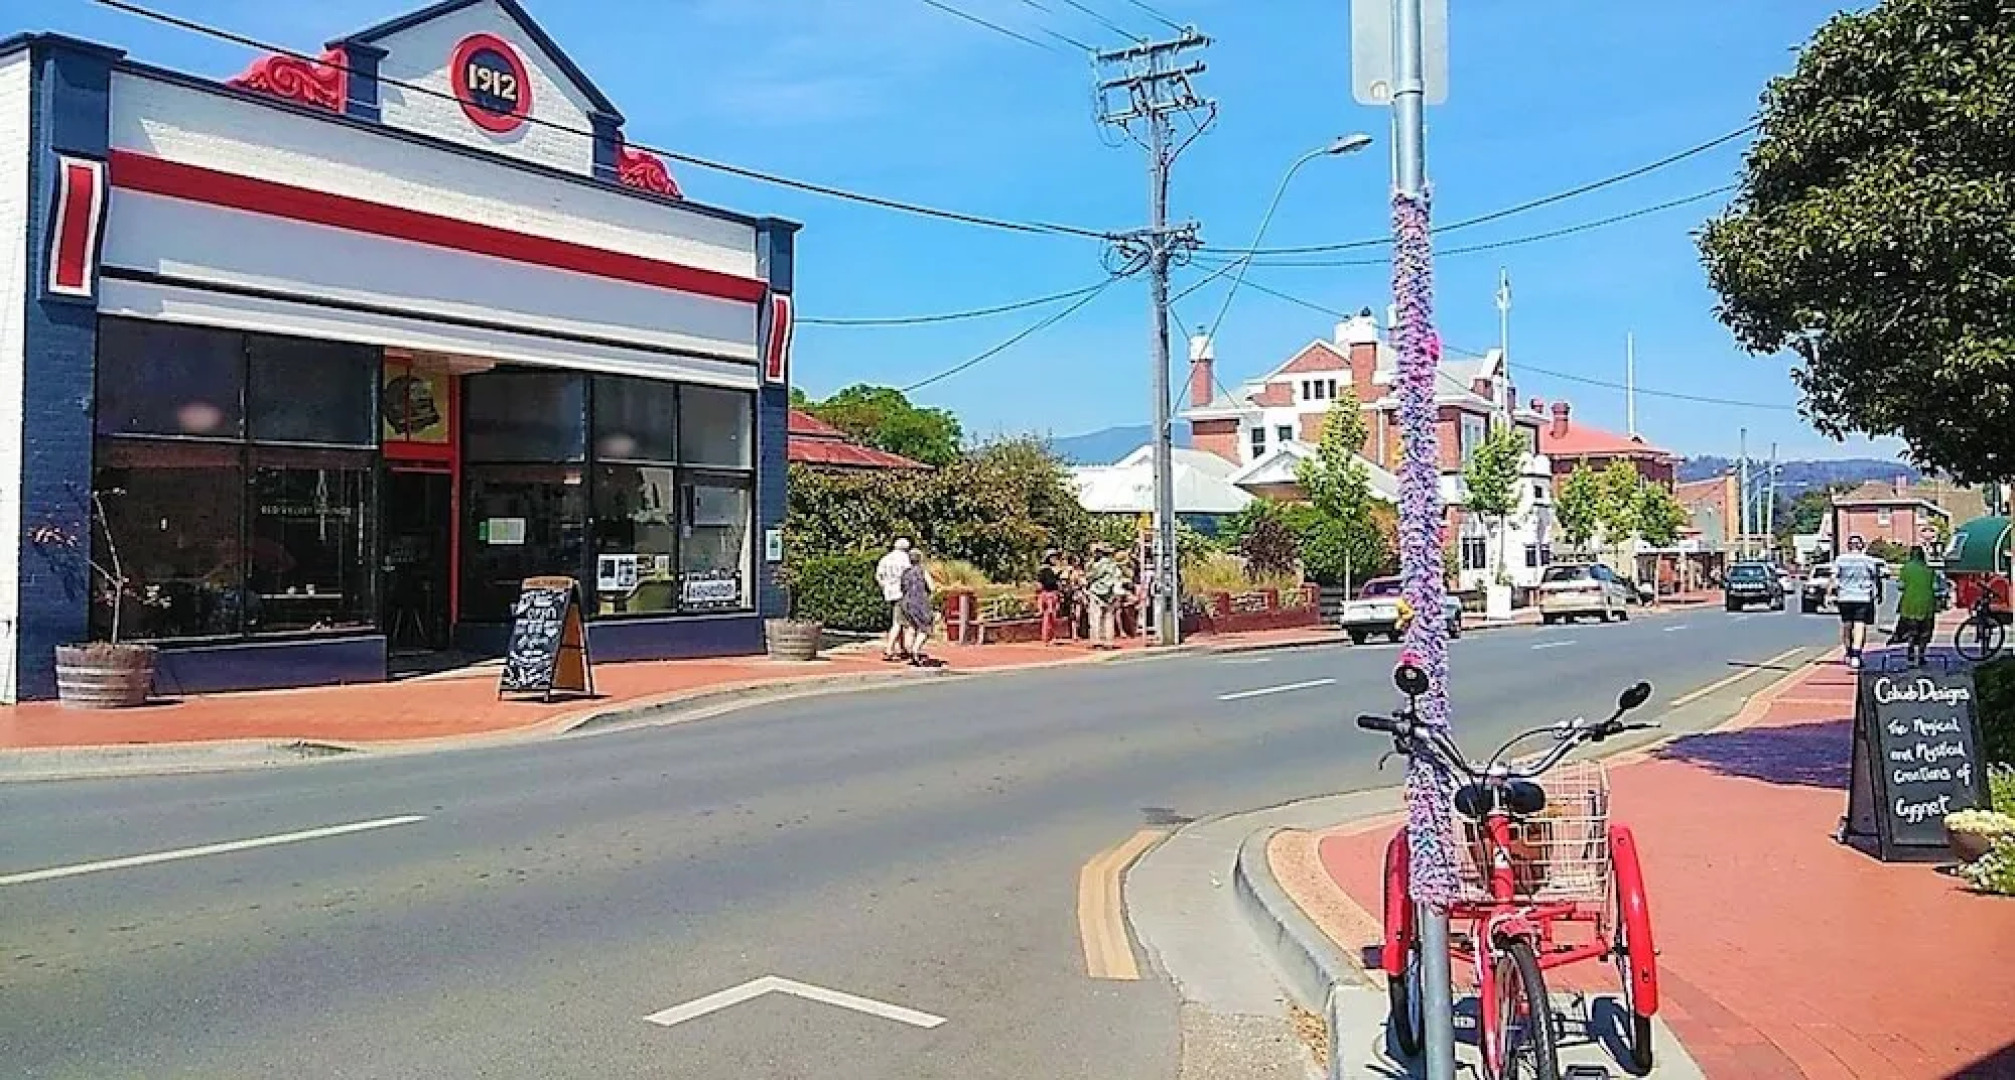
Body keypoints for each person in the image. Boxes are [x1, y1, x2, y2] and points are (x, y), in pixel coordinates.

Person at [1830, 534, 1886, 669]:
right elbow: (1876, 578)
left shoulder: (1840, 560)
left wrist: (1829, 594)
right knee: (1860, 625)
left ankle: (1849, 652)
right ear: (1862, 546)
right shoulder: (1868, 561)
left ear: (1848, 546)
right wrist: (1879, 593)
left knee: (1846, 625)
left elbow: (1834, 578)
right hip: (1863, 596)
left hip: (1845, 596)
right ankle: (1856, 654)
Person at [1892, 544, 1938, 667]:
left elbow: (1900, 586)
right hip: (1927, 604)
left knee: (1912, 629)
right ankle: (1922, 655)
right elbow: (1936, 587)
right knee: (1925, 631)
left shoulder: (1906, 568)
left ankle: (1911, 650)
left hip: (1909, 603)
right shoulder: (1929, 569)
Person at [898, 549, 938, 666]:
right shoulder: (922, 572)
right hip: (920, 602)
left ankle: (909, 649)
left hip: (906, 602)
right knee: (925, 628)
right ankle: (916, 649)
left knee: (911, 627)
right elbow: (932, 587)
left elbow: (902, 587)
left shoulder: (905, 573)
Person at [876, 537, 913, 661]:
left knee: (899, 620)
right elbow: (909, 576)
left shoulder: (885, 558)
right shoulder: (905, 559)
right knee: (898, 623)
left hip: (890, 592)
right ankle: (889, 648)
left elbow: (879, 576)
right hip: (902, 593)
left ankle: (902, 648)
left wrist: (885, 586)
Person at [1085, 544, 1125, 649]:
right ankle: (1109, 640)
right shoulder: (1114, 565)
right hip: (1110, 593)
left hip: (1097, 592)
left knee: (1096, 617)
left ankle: (1097, 640)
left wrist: (1090, 564)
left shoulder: (1098, 565)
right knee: (1109, 617)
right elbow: (1119, 577)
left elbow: (1090, 576)